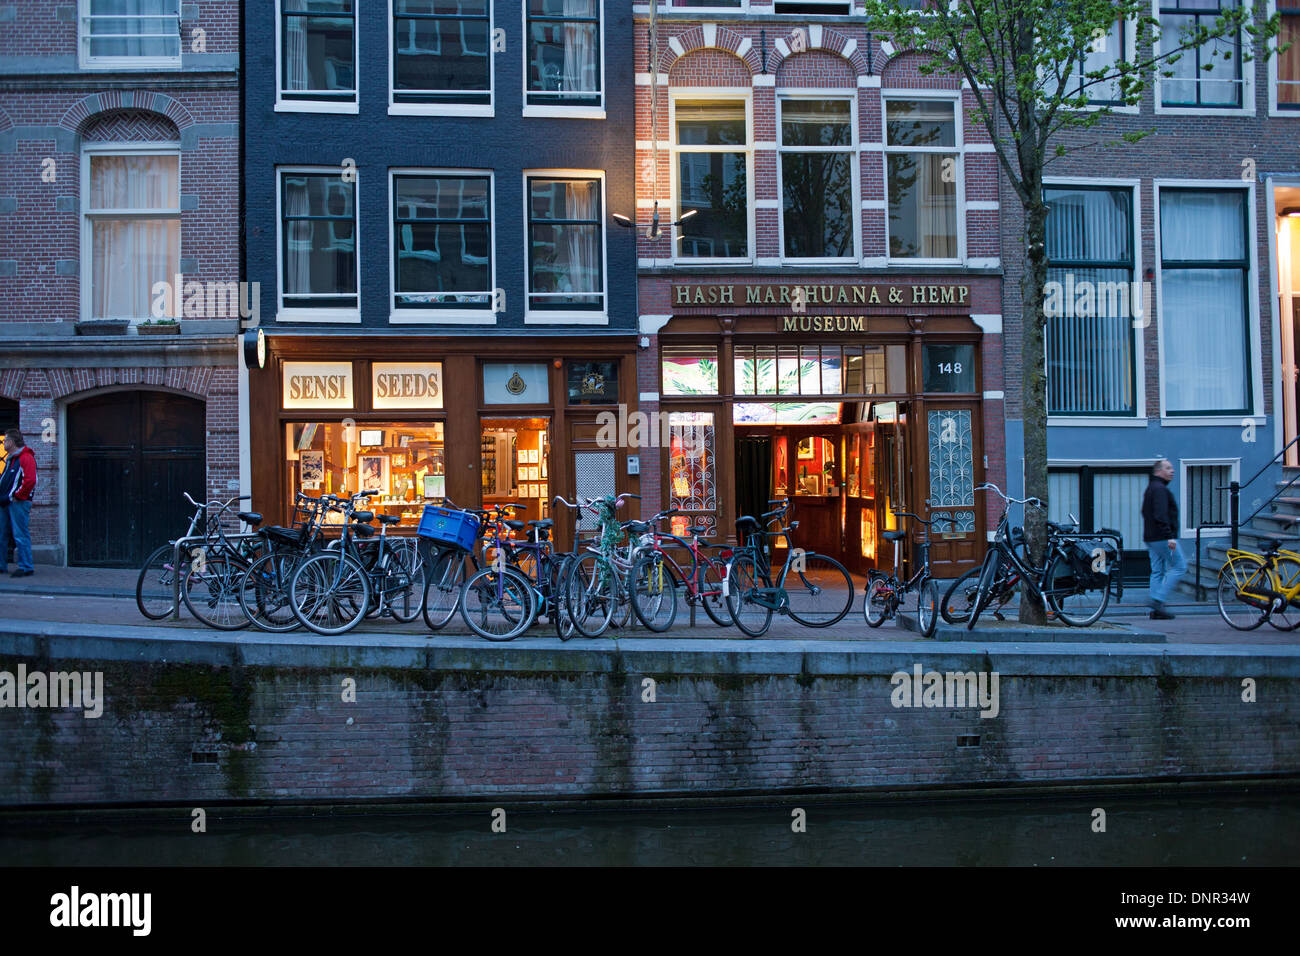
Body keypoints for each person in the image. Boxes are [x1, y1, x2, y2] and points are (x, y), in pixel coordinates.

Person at [1142, 457, 1185, 620]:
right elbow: (1160, 514)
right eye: (1168, 468)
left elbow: (1145, 512)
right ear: (1159, 471)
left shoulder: (1151, 488)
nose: (1172, 471)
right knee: (1180, 566)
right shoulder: (1160, 489)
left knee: (1157, 571)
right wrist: (1170, 536)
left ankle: (1156, 610)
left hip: (1151, 537)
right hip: (1162, 537)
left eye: (1172, 468)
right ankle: (1158, 600)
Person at [0, 428, 37, 577]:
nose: (3, 442)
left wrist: (18, 496)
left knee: (20, 534)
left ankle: (26, 566)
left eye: (6, 439)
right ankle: (2, 565)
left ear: (12, 442)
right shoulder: (11, 459)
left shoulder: (25, 457)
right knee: (2, 534)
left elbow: (30, 480)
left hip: (17, 502)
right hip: (6, 501)